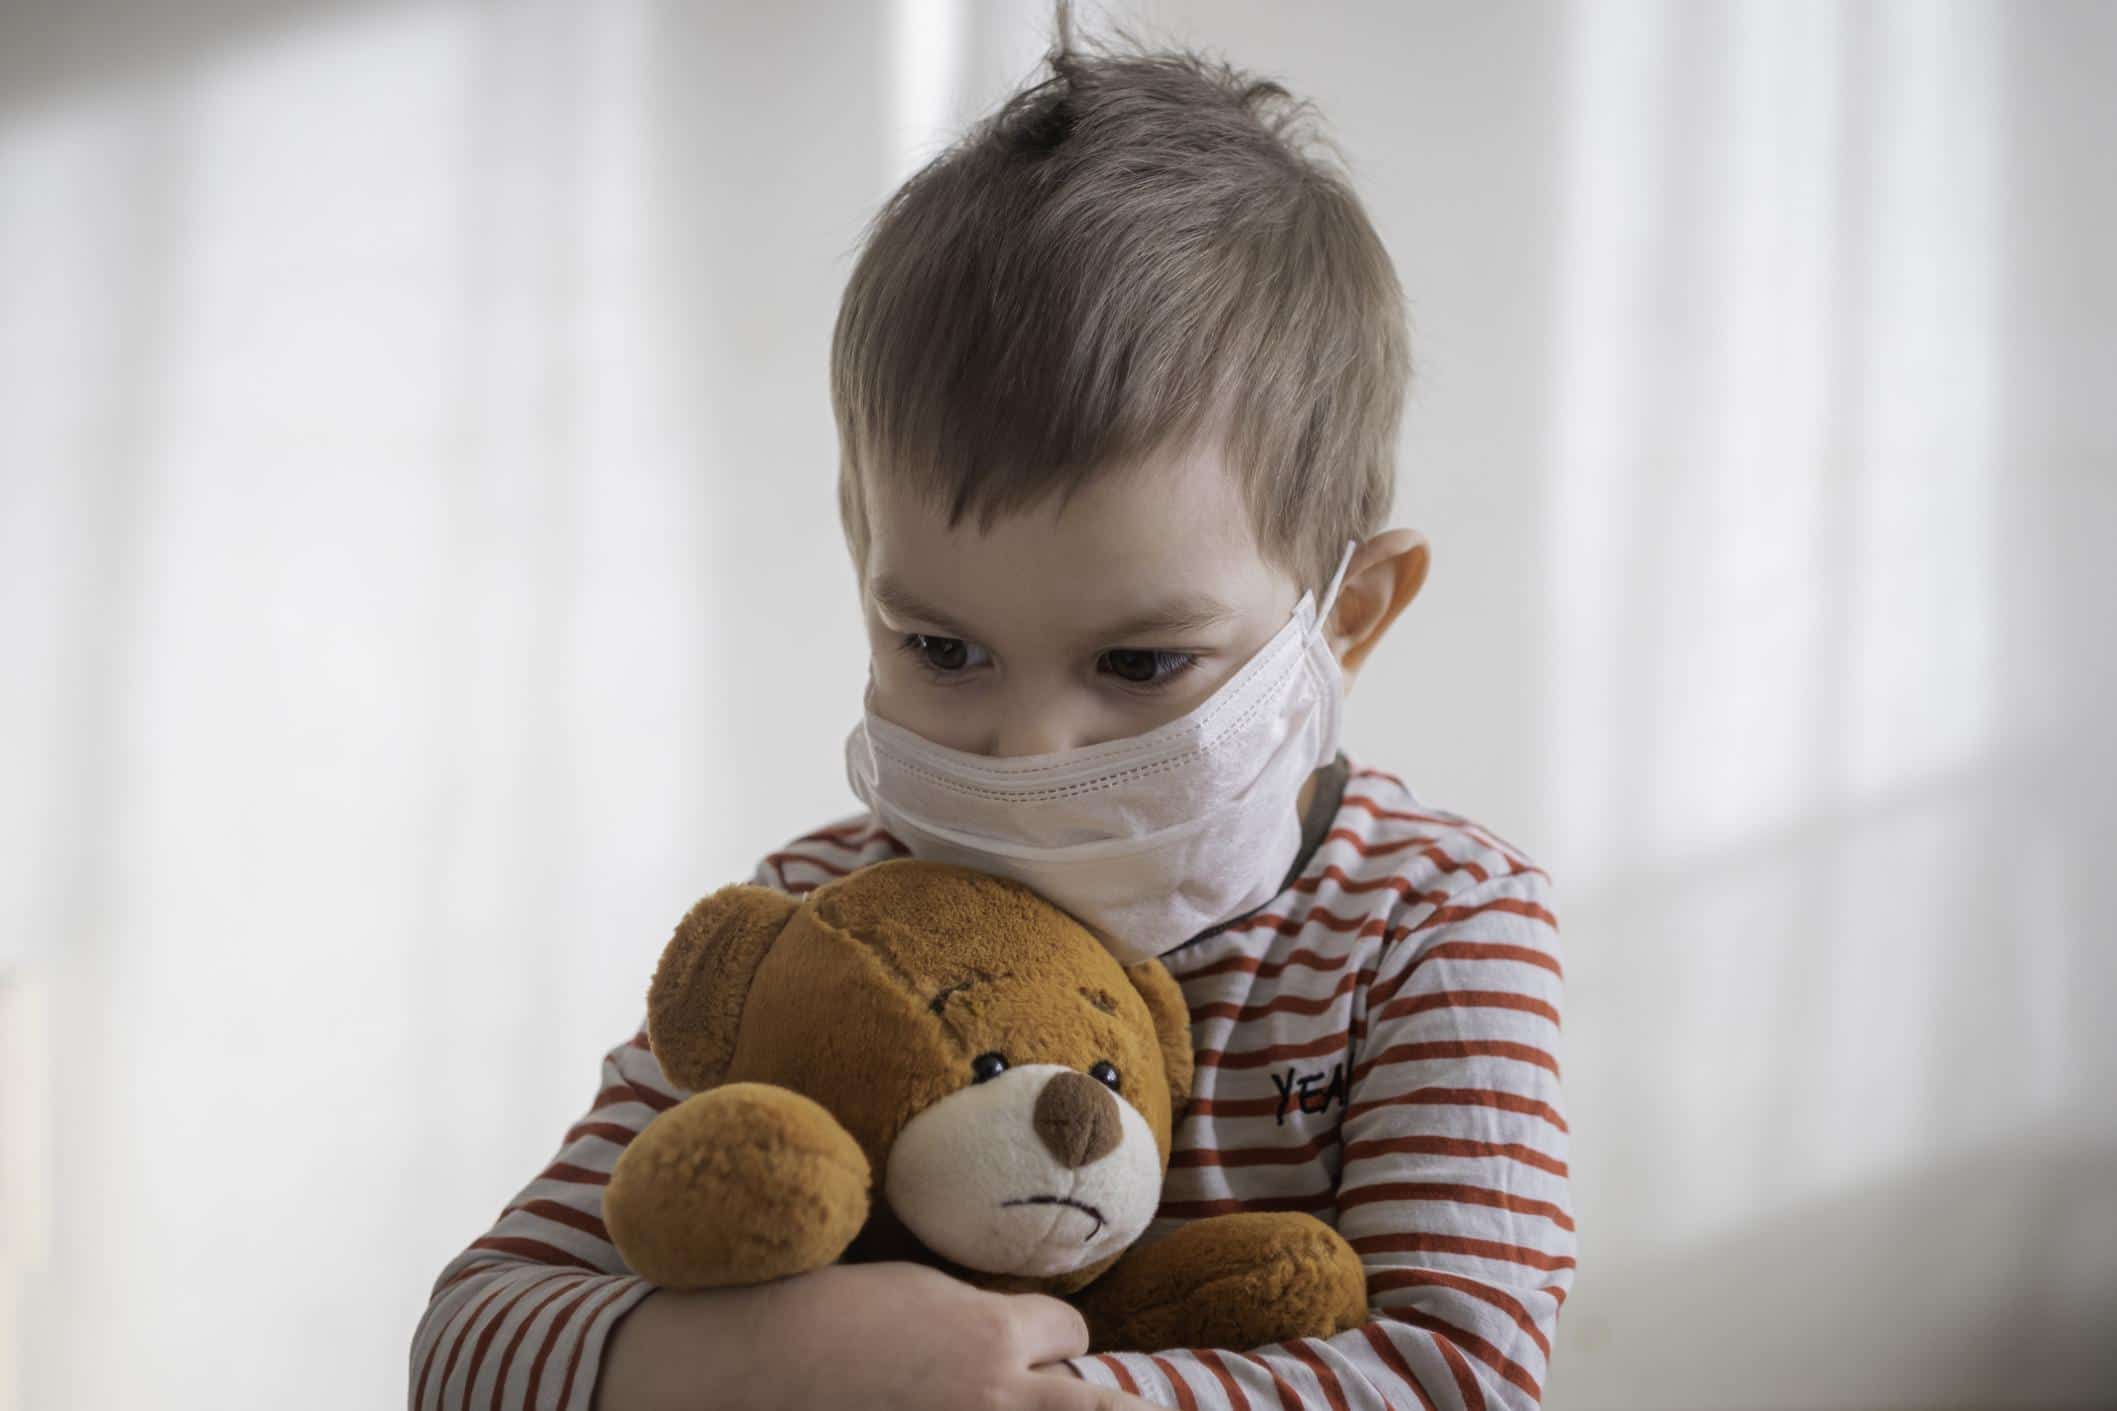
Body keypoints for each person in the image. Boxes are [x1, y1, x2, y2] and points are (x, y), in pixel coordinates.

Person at [410, 14, 1573, 1411]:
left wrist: (1037, 1398)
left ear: (1348, 614)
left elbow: (1464, 1373)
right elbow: (471, 1338)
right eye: (943, 646)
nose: (1030, 754)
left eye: (1140, 664)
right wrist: (750, 1362)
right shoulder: (816, 919)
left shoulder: (1426, 927)